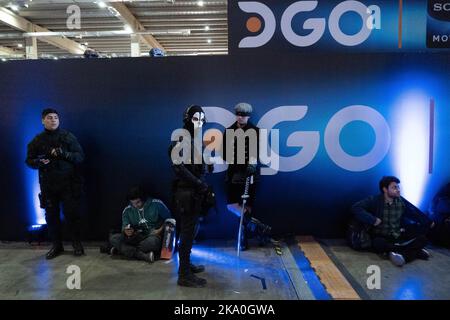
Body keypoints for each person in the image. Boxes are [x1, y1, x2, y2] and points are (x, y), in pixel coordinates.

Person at [25, 108, 85, 259]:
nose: (53, 120)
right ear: (43, 121)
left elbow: (80, 157)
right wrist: (39, 162)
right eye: (50, 118)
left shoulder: (67, 136)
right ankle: (57, 246)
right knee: (51, 217)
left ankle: (77, 244)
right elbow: (29, 161)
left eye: (56, 118)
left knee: (72, 215)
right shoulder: (37, 140)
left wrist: (63, 154)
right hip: (48, 186)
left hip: (68, 184)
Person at [169, 105, 213, 288]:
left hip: (194, 192)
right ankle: (184, 274)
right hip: (187, 192)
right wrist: (198, 182)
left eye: (202, 119)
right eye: (196, 119)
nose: (200, 123)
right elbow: (178, 167)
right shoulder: (181, 138)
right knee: (187, 232)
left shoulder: (193, 138)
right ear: (187, 119)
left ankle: (186, 266)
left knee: (191, 230)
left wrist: (206, 165)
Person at [351, 176, 434, 267]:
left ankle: (398, 254)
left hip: (397, 234)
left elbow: (414, 212)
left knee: (423, 238)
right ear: (385, 189)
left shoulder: (401, 201)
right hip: (381, 235)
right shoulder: (375, 200)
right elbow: (356, 207)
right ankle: (415, 250)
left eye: (398, 187)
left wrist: (428, 221)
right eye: (394, 187)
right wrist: (372, 219)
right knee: (378, 244)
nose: (398, 190)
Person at [222, 102, 271, 251]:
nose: (241, 117)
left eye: (244, 115)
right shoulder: (229, 131)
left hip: (250, 174)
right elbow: (224, 154)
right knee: (232, 205)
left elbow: (260, 152)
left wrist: (253, 162)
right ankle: (259, 226)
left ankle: (243, 237)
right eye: (238, 114)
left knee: (247, 207)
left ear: (248, 116)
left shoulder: (256, 131)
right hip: (234, 173)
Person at [109, 186, 172, 263]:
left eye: (138, 202)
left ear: (143, 198)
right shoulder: (127, 210)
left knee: (153, 243)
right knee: (113, 238)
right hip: (136, 237)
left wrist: (160, 230)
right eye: (133, 203)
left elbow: (170, 220)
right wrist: (126, 231)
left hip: (153, 236)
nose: (136, 205)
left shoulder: (156, 204)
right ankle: (142, 255)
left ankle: (122, 250)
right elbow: (125, 227)